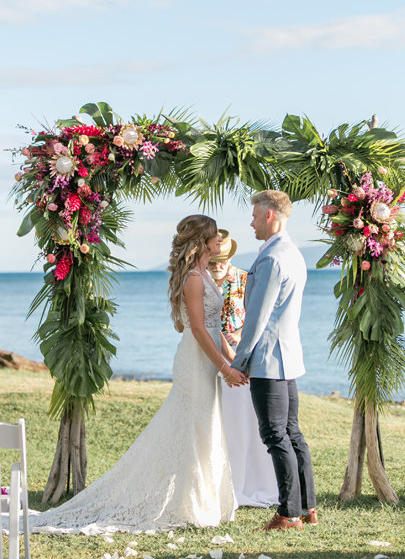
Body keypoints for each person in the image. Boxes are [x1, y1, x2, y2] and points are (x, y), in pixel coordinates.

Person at [28, 215, 246, 534]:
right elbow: (198, 330)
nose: (219, 242)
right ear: (201, 241)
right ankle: (190, 504)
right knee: (194, 428)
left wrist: (234, 359)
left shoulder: (205, 275)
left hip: (207, 360)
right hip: (195, 361)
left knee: (204, 427)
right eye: (214, 237)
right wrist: (225, 367)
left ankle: (198, 500)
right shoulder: (195, 279)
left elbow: (215, 329)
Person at [231, 190, 318, 532]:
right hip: (288, 357)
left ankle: (288, 514)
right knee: (292, 434)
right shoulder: (293, 253)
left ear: (270, 215)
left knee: (275, 436)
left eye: (254, 215)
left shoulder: (271, 259)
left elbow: (257, 317)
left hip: (268, 359)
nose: (251, 222)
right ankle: (308, 507)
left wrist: (239, 361)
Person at [208, 230, 278, 508]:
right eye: (213, 262)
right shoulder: (202, 281)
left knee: (244, 421)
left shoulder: (244, 278)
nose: (217, 267)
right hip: (212, 357)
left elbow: (260, 314)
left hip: (242, 358)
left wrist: (242, 334)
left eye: (222, 261)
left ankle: (250, 481)